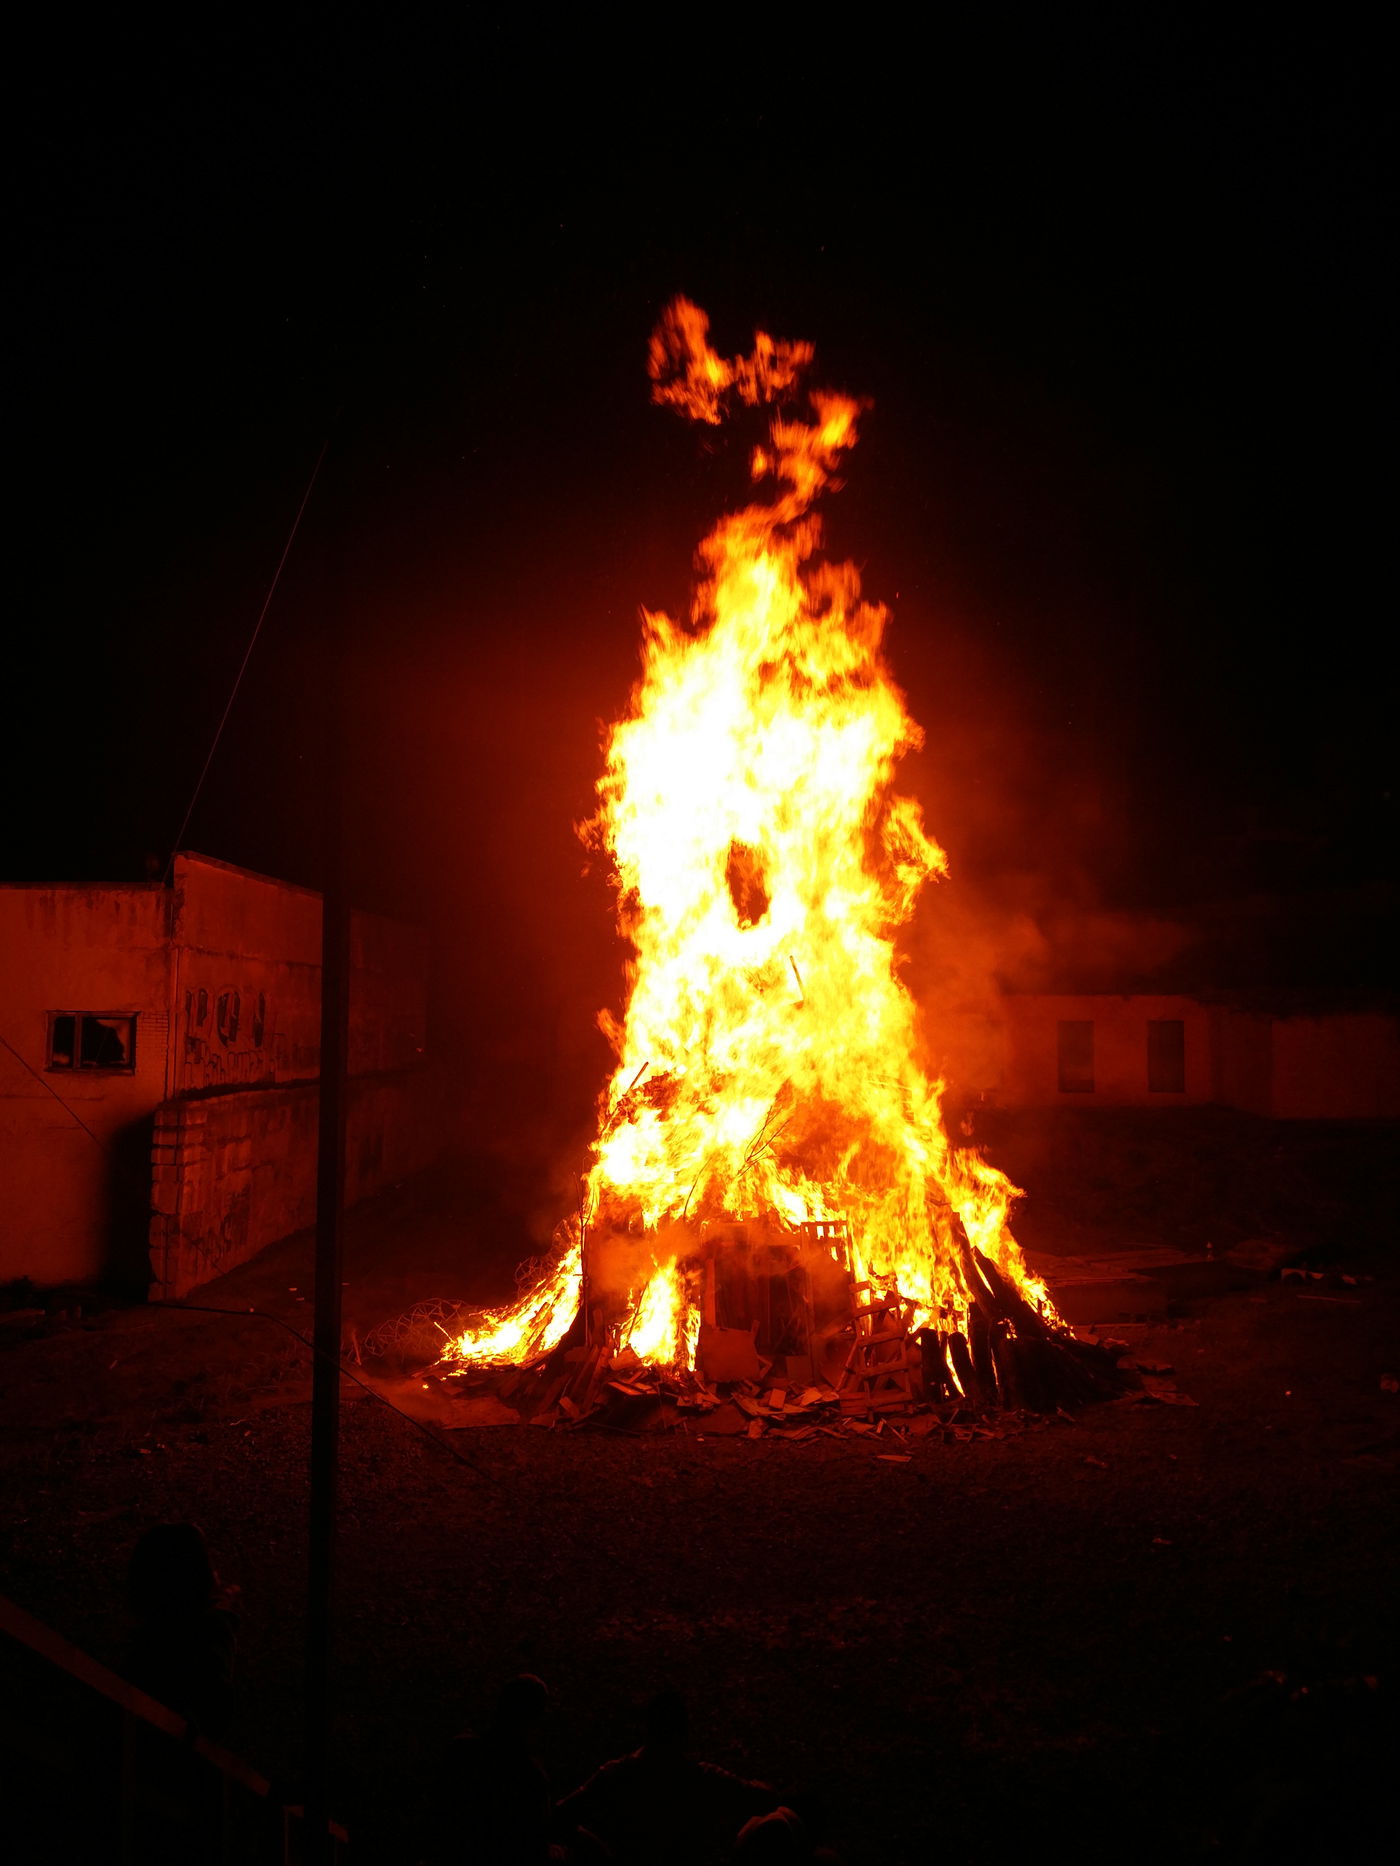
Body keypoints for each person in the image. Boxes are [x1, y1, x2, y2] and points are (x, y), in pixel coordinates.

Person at [553, 1690, 776, 1865]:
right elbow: (761, 1797)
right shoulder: (700, 1777)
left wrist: (597, 1850)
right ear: (683, 1733)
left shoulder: (617, 1774)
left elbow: (561, 1815)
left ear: (647, 1729)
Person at [418, 1672, 565, 1866]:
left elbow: (435, 1811)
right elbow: (532, 1845)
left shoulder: (460, 1750)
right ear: (536, 1718)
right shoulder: (528, 1774)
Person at [125, 1521, 238, 1739]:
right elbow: (216, 1710)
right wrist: (221, 1622)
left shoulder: (146, 1647)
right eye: (208, 1563)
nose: (217, 1571)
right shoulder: (197, 1644)